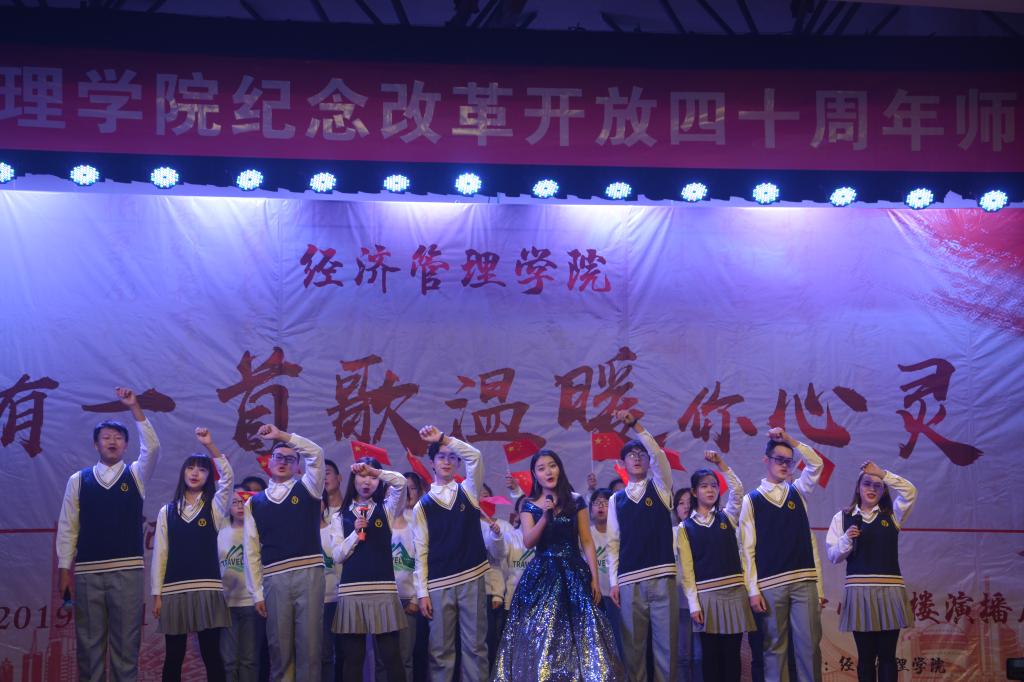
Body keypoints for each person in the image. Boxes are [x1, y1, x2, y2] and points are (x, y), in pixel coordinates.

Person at [56, 387, 160, 682]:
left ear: (126, 445)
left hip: (127, 570)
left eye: (118, 438)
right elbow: (68, 526)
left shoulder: (136, 475)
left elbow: (152, 448)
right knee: (88, 646)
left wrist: (135, 407)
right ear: (96, 444)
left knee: (126, 645)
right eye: (106, 437)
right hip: (88, 571)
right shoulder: (79, 480)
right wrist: (64, 569)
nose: (112, 441)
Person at [493, 449, 625, 681]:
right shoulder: (528, 505)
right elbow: (528, 541)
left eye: (552, 466)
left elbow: (586, 541)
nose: (548, 472)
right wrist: (545, 517)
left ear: (559, 469)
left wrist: (594, 579)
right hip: (542, 576)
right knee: (543, 635)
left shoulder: (576, 500)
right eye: (541, 468)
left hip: (574, 572)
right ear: (535, 474)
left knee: (582, 635)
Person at [412, 425, 498, 682]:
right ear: (432, 462)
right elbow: (421, 552)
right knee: (440, 652)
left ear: (458, 463)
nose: (447, 461)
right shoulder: (422, 505)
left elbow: (476, 457)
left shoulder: (469, 491)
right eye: (441, 456)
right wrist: (422, 592)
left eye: (452, 457)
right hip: (439, 583)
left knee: (475, 647)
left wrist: (443, 439)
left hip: (471, 576)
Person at [739, 428, 825, 682]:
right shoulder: (751, 500)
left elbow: (816, 463)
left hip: (804, 581)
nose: (785, 465)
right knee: (774, 650)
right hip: (770, 584)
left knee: (809, 647)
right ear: (766, 460)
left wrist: (791, 440)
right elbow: (746, 549)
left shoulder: (797, 491)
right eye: (779, 459)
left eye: (789, 461)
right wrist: (752, 589)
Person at [243, 424, 326, 682]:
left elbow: (317, 454)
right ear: (269, 462)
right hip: (274, 578)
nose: (283, 462)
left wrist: (281, 436)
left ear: (298, 467)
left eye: (290, 459)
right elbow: (251, 551)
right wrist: (257, 592)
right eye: (278, 457)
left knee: (310, 649)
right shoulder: (254, 502)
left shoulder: (309, 488)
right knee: (279, 649)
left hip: (309, 573)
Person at [152, 427, 233, 682]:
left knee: (211, 655)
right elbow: (160, 554)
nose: (195, 473)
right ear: (183, 473)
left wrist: (210, 445)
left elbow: (228, 477)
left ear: (209, 476)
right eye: (190, 468)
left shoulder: (215, 507)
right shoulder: (167, 511)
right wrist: (157, 594)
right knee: (173, 657)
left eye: (202, 469)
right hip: (174, 589)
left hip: (207, 587)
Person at [826, 462, 917, 682]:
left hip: (889, 590)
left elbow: (910, 491)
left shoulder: (892, 515)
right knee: (866, 657)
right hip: (859, 591)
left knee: (887, 656)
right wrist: (847, 538)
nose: (872, 488)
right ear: (858, 488)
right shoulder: (842, 517)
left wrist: (883, 473)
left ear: (883, 491)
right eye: (867, 483)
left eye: (878, 485)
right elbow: (833, 556)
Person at [607, 410, 678, 682]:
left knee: (666, 649)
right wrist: (614, 581)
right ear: (622, 463)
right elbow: (613, 543)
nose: (637, 458)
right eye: (631, 455)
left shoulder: (660, 487)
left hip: (662, 577)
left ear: (649, 461)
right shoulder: (616, 500)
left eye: (641, 454)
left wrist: (636, 426)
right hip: (629, 581)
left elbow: (659, 456)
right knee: (633, 651)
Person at [329, 458, 408, 682]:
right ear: (353, 479)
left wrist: (376, 471)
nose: (367, 481)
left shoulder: (387, 508)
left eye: (372, 477)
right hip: (352, 592)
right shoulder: (339, 516)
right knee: (353, 659)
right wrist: (355, 534)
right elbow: (337, 555)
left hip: (383, 590)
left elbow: (400, 482)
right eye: (362, 476)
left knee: (392, 657)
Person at [677, 451, 753, 682]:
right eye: (704, 486)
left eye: (713, 485)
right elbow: (687, 571)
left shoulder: (727, 518)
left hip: (734, 593)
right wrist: (693, 605)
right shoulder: (685, 528)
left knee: (732, 656)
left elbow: (738, 490)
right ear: (694, 492)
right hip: (706, 598)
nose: (710, 490)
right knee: (710, 657)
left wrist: (721, 463)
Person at [220, 485, 262, 682]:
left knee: (249, 660)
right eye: (234, 502)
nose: (239, 506)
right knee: (228, 661)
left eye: (243, 501)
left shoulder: (257, 530)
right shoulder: (220, 529)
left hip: (252, 603)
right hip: (227, 603)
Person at [589, 488, 625, 659]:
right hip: (594, 595)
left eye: (605, 502)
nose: (601, 506)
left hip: (617, 596)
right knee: (597, 642)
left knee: (619, 640)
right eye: (597, 503)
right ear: (591, 508)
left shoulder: (621, 533)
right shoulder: (586, 534)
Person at [322, 460, 344, 682]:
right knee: (325, 653)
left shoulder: (352, 510)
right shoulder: (313, 513)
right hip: (323, 594)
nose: (323, 478)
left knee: (349, 654)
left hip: (348, 592)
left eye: (327, 473)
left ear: (340, 478)